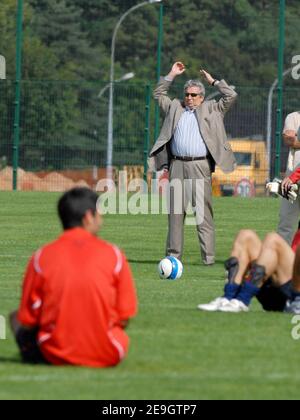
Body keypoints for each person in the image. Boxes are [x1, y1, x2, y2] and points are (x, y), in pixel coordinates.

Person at [9, 187, 138, 367]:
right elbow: (125, 316)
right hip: (108, 351)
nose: (101, 219)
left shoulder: (41, 257)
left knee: (14, 317)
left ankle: (32, 353)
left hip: (54, 352)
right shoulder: (115, 255)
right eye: (99, 214)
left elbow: (28, 318)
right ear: (88, 217)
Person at [149, 62, 237, 266]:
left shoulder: (213, 109)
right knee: (175, 214)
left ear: (202, 97)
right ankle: (173, 258)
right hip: (177, 165)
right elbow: (157, 94)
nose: (189, 98)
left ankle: (208, 259)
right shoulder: (174, 107)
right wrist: (171, 74)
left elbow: (231, 96)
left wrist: (214, 81)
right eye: (187, 94)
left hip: (200, 166)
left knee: (202, 214)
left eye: (194, 95)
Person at [198, 228, 300, 313]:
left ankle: (243, 299)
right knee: (246, 235)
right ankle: (228, 298)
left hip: (293, 295)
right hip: (276, 289)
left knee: (273, 239)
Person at [277, 111, 300, 244]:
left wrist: (295, 137)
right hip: (290, 180)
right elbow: (289, 140)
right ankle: (282, 259)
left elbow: (294, 139)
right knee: (285, 223)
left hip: (294, 176)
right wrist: (293, 139)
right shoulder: (293, 117)